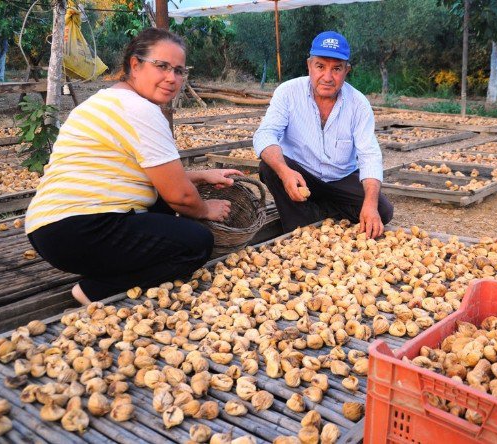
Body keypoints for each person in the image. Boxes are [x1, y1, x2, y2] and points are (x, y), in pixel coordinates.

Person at [25, 28, 241, 305]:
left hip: (51, 229)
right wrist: (206, 208)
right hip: (80, 230)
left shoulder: (109, 99)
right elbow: (181, 197)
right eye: (161, 66)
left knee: (163, 206)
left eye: (179, 70)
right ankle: (96, 289)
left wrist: (200, 175)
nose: (172, 78)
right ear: (135, 65)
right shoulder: (140, 110)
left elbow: (150, 176)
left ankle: (106, 270)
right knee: (196, 244)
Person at [253, 31, 393, 239]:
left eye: (336, 69)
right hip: (302, 175)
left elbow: (369, 155)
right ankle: (302, 224)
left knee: (382, 210)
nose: (327, 77)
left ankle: (314, 213)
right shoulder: (288, 92)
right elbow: (265, 134)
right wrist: (284, 170)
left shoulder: (358, 104)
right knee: (269, 168)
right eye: (320, 66)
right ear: (309, 65)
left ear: (347, 70)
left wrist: (370, 205)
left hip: (340, 178)